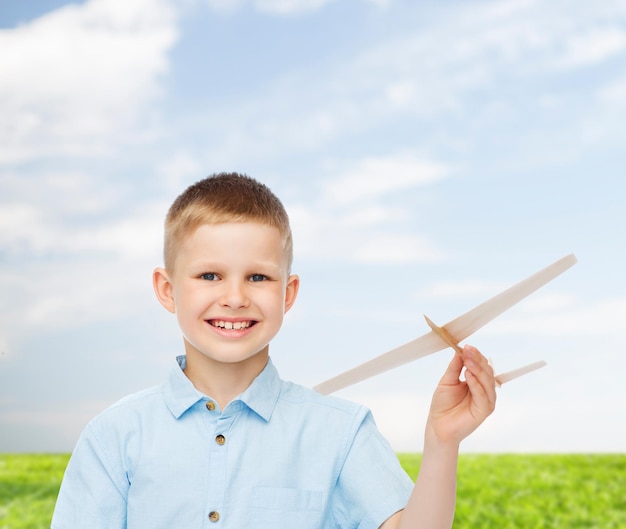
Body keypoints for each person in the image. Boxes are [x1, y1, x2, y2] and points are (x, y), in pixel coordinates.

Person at [51, 172, 497, 529]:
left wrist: (443, 441)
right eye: (209, 276)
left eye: (258, 278)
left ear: (288, 292)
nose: (234, 297)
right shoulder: (114, 437)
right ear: (167, 290)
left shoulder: (340, 433)